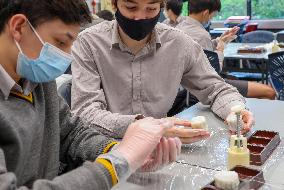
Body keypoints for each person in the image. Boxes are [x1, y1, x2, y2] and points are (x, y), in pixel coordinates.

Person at [0, 0, 183, 189]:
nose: (66, 56)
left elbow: (71, 133)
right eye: (60, 42)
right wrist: (117, 163)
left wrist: (121, 150)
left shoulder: (36, 79)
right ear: (19, 27)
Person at [71, 0, 255, 141]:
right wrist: (145, 126)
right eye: (131, 7)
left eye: (151, 9)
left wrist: (235, 110)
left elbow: (215, 89)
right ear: (114, 5)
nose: (140, 17)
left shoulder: (179, 44)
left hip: (163, 144)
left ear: (161, 6)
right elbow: (85, 112)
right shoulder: (89, 43)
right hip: (106, 146)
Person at [176, 0, 276, 100]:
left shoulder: (179, 28)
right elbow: (213, 73)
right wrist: (220, 49)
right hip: (207, 88)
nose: (211, 19)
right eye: (212, 16)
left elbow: (202, 50)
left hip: (186, 87)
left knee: (237, 80)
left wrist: (220, 40)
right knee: (269, 92)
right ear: (206, 13)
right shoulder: (201, 35)